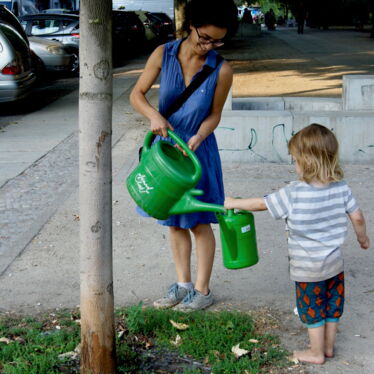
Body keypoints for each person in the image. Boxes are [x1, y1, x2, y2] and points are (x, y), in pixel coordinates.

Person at [224, 124, 370, 364]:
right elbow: (358, 216)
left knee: (312, 311)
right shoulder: (341, 188)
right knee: (332, 308)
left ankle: (315, 353)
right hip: (335, 265)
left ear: (307, 162)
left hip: (307, 270)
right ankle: (329, 347)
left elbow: (262, 204)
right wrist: (362, 238)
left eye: (295, 160)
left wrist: (233, 203)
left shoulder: (294, 192)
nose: (294, 165)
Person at [130, 0, 238, 311]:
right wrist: (153, 116)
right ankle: (182, 285)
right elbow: (136, 94)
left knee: (199, 222)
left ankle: (202, 291)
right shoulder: (163, 54)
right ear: (190, 25)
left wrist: (199, 136)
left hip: (196, 154)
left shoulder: (222, 69)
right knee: (174, 221)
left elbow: (214, 114)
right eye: (205, 37)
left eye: (218, 40)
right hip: (164, 154)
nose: (209, 46)